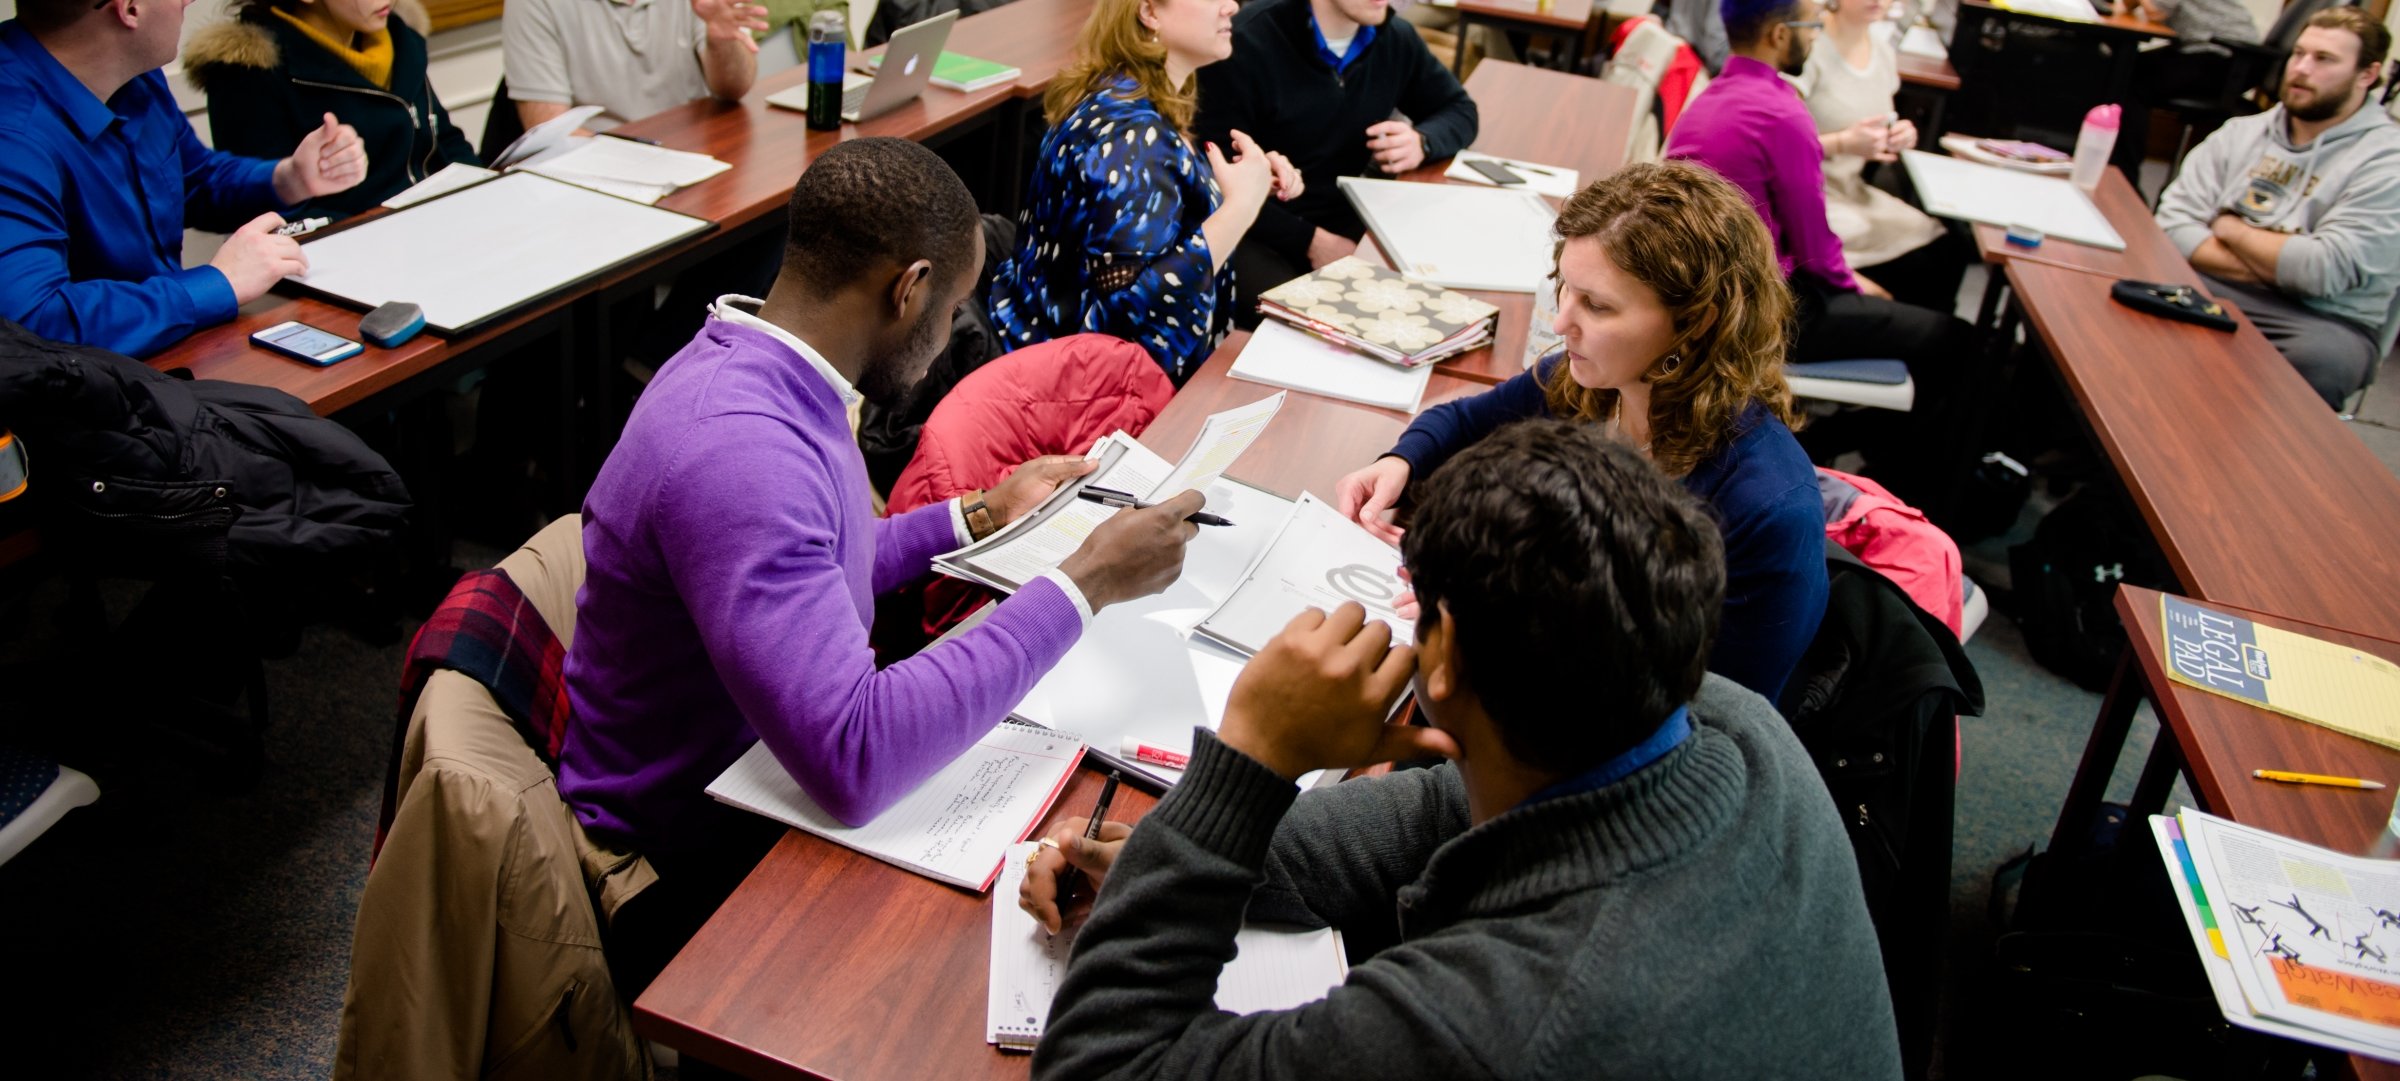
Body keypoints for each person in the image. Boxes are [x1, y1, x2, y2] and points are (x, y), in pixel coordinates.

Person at [1019, 419, 1901, 1080]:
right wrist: (1190, 857)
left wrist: (1249, 760)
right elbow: (1443, 808)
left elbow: (1103, 1063)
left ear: (1441, 660)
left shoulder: (1502, 1022)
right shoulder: (1728, 722)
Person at [560, 138, 1207, 995]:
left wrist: (979, 512)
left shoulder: (772, 365)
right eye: (953, 311)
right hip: (679, 863)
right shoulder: (739, 452)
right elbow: (855, 757)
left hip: (754, 774)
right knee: (997, 964)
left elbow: (822, 556)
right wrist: (1085, 582)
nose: (948, 341)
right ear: (907, 289)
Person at [1334, 162, 1827, 702]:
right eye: (1564, 287)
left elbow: (1717, 721)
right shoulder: (1583, 386)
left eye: (1596, 305)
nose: (1562, 321)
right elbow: (1465, 421)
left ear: (1696, 321)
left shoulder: (1767, 509)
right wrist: (1400, 462)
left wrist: (1505, 625)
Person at [1666, 0, 1978, 514]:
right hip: (1767, 311)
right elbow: (1816, 251)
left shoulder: (1713, 96)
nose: (1814, 37)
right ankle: (1874, 472)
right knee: (1959, 343)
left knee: (1917, 287)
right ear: (1777, 34)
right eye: (1810, 26)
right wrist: (1857, 285)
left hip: (1715, 292)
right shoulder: (1782, 113)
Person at [0, 0, 366, 359]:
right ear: (130, 8)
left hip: (163, 356)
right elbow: (34, 324)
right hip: (78, 395)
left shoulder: (132, 72)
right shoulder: (12, 133)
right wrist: (218, 284)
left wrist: (288, 179)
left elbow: (191, 180)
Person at [987, 0, 1304, 382]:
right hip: (1081, 396)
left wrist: (1237, 185)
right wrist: (1240, 206)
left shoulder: (1126, 93)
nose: (1231, 6)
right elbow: (1131, 326)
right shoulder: (1131, 137)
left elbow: (1147, 214)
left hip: (1058, 362)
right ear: (1149, 12)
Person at [2155, 6, 2400, 409]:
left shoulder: (2385, 161)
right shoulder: (2241, 134)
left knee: (2323, 361)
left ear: (2367, 76)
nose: (2302, 69)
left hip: (2322, 318)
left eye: (2324, 60)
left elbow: (2323, 272)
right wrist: (2281, 261)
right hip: (2209, 286)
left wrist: (2231, 230)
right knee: (2118, 291)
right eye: (2298, 54)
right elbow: (2171, 227)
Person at [1194, 0, 1480, 302]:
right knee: (1311, 317)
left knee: (1444, 283)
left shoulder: (1393, 36)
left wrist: (1422, 141)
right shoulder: (1242, 40)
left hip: (1346, 211)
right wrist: (1311, 242)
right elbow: (1214, 184)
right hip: (1256, 229)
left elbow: (1460, 110)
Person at [185, 0, 479, 219]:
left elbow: (447, 140)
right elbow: (268, 213)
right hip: (350, 256)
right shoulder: (248, 71)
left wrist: (485, 193)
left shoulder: (399, 37)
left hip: (437, 225)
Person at [1794, 0, 1968, 313]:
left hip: (1851, 190)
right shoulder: (1809, 48)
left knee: (1947, 247)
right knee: (1920, 262)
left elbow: (1879, 121)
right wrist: (1843, 143)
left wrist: (1898, 134)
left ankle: (1923, 345)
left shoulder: (1882, 51)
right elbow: (1775, 146)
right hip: (1808, 194)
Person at [501, 0, 767, 129]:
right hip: (603, 173)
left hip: (697, 157)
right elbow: (551, 131)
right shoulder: (533, 4)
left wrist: (722, 43)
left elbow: (735, 88)